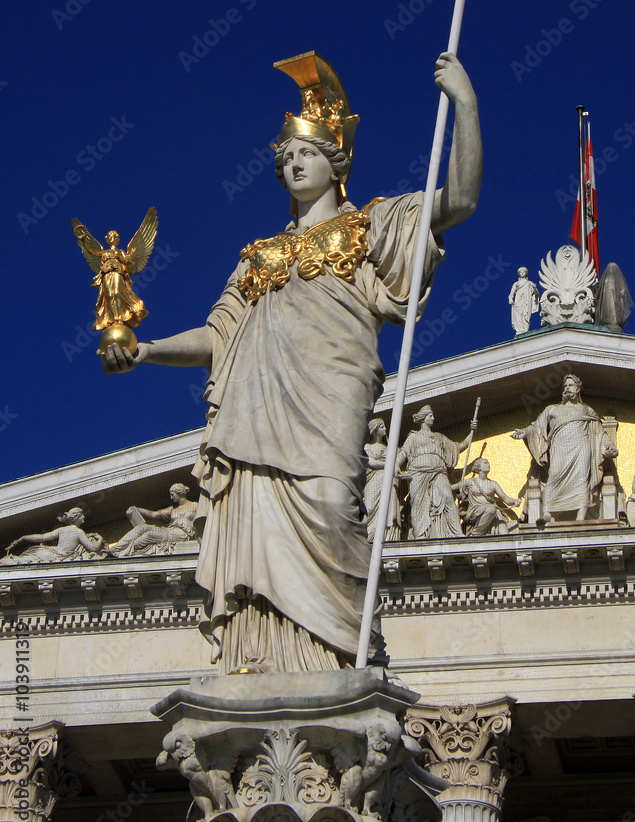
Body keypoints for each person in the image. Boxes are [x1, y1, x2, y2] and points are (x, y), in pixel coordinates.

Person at [100, 50, 482, 674]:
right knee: (257, 529)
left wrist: (464, 103)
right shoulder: (258, 257)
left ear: (336, 163)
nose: (293, 162)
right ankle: (264, 659)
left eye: (306, 153)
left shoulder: (370, 227)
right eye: (285, 158)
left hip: (329, 400)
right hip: (257, 419)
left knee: (334, 509)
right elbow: (219, 334)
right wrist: (145, 351)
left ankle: (344, 659)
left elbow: (461, 198)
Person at [511, 373, 617, 522]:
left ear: (578, 388)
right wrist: (525, 432)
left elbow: (598, 430)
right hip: (559, 447)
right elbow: (538, 428)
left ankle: (581, 514)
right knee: (554, 475)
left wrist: (609, 446)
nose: (567, 388)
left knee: (581, 479)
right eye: (565, 385)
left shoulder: (587, 410)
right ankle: (548, 513)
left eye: (571, 385)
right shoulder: (552, 409)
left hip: (581, 447)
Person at [397, 404, 477, 539]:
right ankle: (420, 535)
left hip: (439, 472)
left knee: (448, 498)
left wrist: (472, 432)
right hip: (418, 473)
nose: (433, 418)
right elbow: (403, 453)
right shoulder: (413, 437)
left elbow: (458, 447)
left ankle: (456, 532)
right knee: (417, 503)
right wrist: (395, 466)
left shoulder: (439, 437)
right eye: (430, 416)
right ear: (423, 418)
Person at [112, 484, 198, 557]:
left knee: (147, 536)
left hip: (181, 534)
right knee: (141, 527)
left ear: (180, 493)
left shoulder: (195, 505)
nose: (171, 498)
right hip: (168, 531)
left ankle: (124, 553)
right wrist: (136, 509)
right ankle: (115, 549)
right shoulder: (172, 509)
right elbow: (153, 514)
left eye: (173, 495)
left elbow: (204, 521)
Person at [1, 508, 107, 564]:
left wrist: (22, 538)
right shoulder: (78, 532)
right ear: (77, 517)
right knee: (27, 560)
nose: (84, 517)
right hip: (61, 556)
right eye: (81, 515)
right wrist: (100, 538)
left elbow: (41, 537)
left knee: (27, 559)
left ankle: (9, 561)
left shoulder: (62, 530)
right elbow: (93, 548)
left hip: (51, 553)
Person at [363, 418, 402, 544]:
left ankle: (387, 535)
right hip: (374, 480)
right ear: (374, 430)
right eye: (382, 427)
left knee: (389, 507)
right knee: (370, 506)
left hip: (388, 480)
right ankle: (368, 534)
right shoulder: (368, 447)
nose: (385, 429)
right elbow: (370, 462)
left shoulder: (389, 448)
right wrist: (389, 464)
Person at [460, 458, 520, 536]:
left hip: (493, 513)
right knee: (491, 509)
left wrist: (515, 501)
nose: (488, 464)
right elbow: (453, 487)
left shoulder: (493, 484)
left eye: (488, 463)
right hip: (476, 510)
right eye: (485, 463)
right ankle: (475, 533)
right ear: (478, 467)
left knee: (504, 533)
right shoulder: (470, 482)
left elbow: (506, 499)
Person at [508, 267, 539, 335]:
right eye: (520, 272)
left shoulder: (530, 283)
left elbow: (536, 293)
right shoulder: (516, 284)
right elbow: (511, 294)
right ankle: (519, 330)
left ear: (526, 273)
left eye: (524, 272)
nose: (522, 273)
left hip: (527, 301)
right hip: (518, 300)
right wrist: (510, 299)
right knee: (519, 314)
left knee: (526, 314)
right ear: (519, 274)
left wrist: (534, 288)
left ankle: (525, 330)